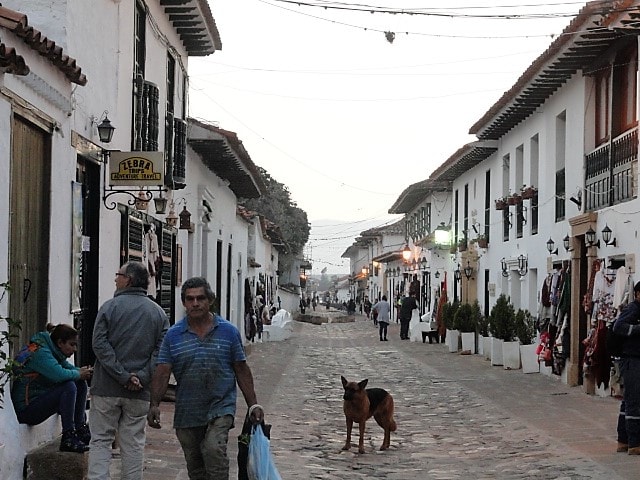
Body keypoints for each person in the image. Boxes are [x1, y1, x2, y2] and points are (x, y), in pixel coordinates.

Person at [147, 277, 264, 479]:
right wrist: (154, 404)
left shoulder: (228, 332)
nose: (195, 303)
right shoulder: (173, 336)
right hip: (187, 411)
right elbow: (163, 371)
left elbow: (241, 369)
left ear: (210, 300)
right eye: (190, 299)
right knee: (195, 466)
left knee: (213, 450)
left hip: (220, 406)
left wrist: (253, 405)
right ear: (184, 302)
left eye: (200, 298)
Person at [88, 261, 169, 479]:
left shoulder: (109, 308)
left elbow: (99, 344)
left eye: (119, 275)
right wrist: (141, 376)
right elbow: (161, 352)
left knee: (100, 440)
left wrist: (122, 376)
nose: (115, 279)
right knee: (133, 443)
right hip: (140, 391)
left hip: (106, 388)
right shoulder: (158, 313)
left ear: (129, 280)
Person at [11, 323, 93, 453]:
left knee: (79, 383)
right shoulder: (40, 353)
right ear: (60, 343)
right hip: (27, 410)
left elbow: (68, 368)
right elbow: (59, 374)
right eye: (72, 344)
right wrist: (79, 373)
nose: (75, 349)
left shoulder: (53, 351)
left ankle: (80, 429)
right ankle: (68, 436)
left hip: (39, 400)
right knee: (68, 386)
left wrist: (82, 372)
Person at [613, 281, 640, 455]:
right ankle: (635, 444)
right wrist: (638, 329)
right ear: (637, 294)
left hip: (634, 360)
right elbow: (618, 327)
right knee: (634, 402)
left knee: (628, 401)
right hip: (632, 360)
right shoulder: (633, 309)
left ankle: (623, 441)